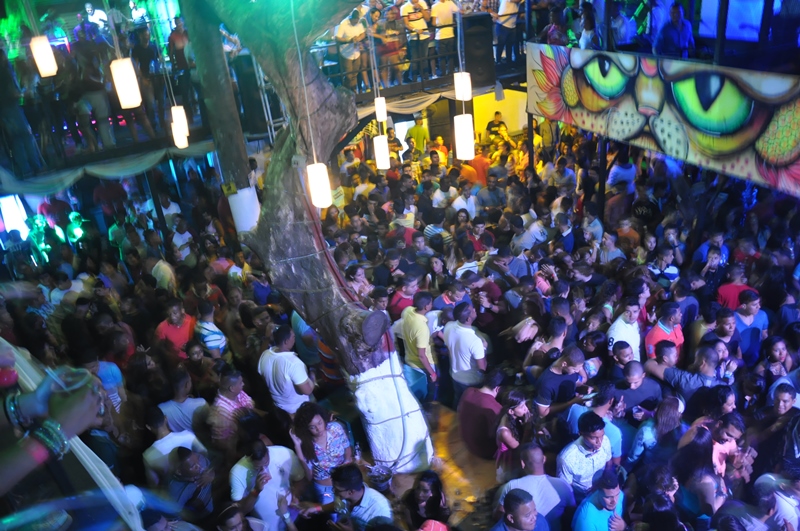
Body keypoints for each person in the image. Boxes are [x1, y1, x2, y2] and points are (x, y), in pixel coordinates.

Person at [495, 444, 576, 531]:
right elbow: (572, 514)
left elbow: (499, 515)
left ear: (522, 463)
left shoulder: (511, 486)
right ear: (544, 459)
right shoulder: (563, 485)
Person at [230, 440, 305, 530]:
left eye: (266, 464)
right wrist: (256, 490)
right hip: (268, 527)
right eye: (258, 467)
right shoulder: (237, 472)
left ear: (268, 451)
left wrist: (295, 496)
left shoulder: (284, 453)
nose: (264, 470)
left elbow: (300, 479)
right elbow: (241, 511)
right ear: (248, 459)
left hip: (293, 518)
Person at [290, 402, 353, 504]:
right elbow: (309, 477)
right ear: (307, 429)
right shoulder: (305, 444)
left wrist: (346, 465)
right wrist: (298, 447)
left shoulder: (335, 429)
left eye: (319, 423)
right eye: (312, 427)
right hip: (325, 489)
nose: (318, 429)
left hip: (344, 482)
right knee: (332, 511)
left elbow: (347, 449)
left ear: (323, 419)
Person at [300, 463, 393, 529]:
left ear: (351, 492)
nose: (333, 492)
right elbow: (338, 506)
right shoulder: (343, 495)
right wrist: (318, 509)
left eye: (337, 490)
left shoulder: (381, 512)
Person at [257, 325, 314, 418]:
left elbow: (264, 377)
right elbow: (307, 391)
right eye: (293, 337)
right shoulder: (293, 363)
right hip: (298, 410)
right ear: (286, 341)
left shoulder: (265, 355)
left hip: (280, 411)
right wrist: (312, 376)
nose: (295, 339)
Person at [556, 411, 612, 501]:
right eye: (593, 438)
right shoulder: (567, 458)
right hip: (581, 498)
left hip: (601, 489)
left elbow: (609, 463)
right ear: (580, 434)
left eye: (602, 435)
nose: (600, 442)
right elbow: (566, 489)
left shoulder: (605, 441)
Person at [444, 301, 487, 406]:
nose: (475, 310)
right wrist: (484, 348)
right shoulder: (475, 341)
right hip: (470, 381)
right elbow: (482, 367)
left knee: (457, 400)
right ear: (468, 319)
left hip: (455, 375)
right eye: (473, 310)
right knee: (470, 406)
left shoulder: (449, 326)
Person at [458, 368, 505, 459]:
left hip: (467, 442)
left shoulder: (468, 391)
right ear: (498, 388)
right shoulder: (495, 408)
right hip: (484, 451)